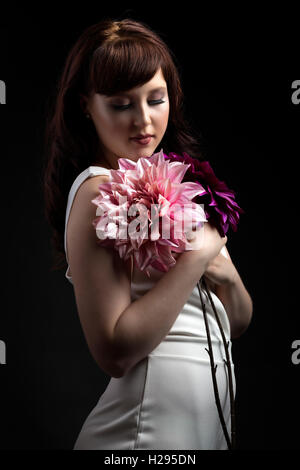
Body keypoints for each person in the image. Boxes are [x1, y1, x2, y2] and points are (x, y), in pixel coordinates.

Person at [43, 18, 253, 450]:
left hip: (205, 429)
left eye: (156, 100)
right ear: (86, 105)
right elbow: (115, 351)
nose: (144, 120)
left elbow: (237, 321)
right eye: (121, 104)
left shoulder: (178, 182)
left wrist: (225, 274)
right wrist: (197, 257)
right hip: (143, 435)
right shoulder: (98, 189)